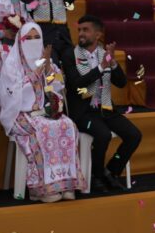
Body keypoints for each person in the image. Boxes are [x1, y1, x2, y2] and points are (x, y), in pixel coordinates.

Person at [0, 21, 84, 202]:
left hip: (44, 112)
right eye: (28, 38)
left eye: (37, 37)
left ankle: (66, 184)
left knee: (68, 125)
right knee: (42, 131)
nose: (33, 41)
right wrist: (37, 71)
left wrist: (48, 68)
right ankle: (43, 189)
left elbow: (57, 85)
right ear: (20, 40)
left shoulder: (46, 60)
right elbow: (12, 94)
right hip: (19, 115)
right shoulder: (12, 64)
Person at [59, 15, 140, 192]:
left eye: (85, 30)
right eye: (79, 30)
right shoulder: (70, 55)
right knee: (103, 135)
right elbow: (77, 84)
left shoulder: (104, 55)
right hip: (83, 112)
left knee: (134, 135)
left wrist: (113, 63)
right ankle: (96, 176)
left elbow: (121, 83)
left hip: (105, 108)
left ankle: (111, 171)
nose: (81, 33)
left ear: (98, 35)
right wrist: (101, 67)